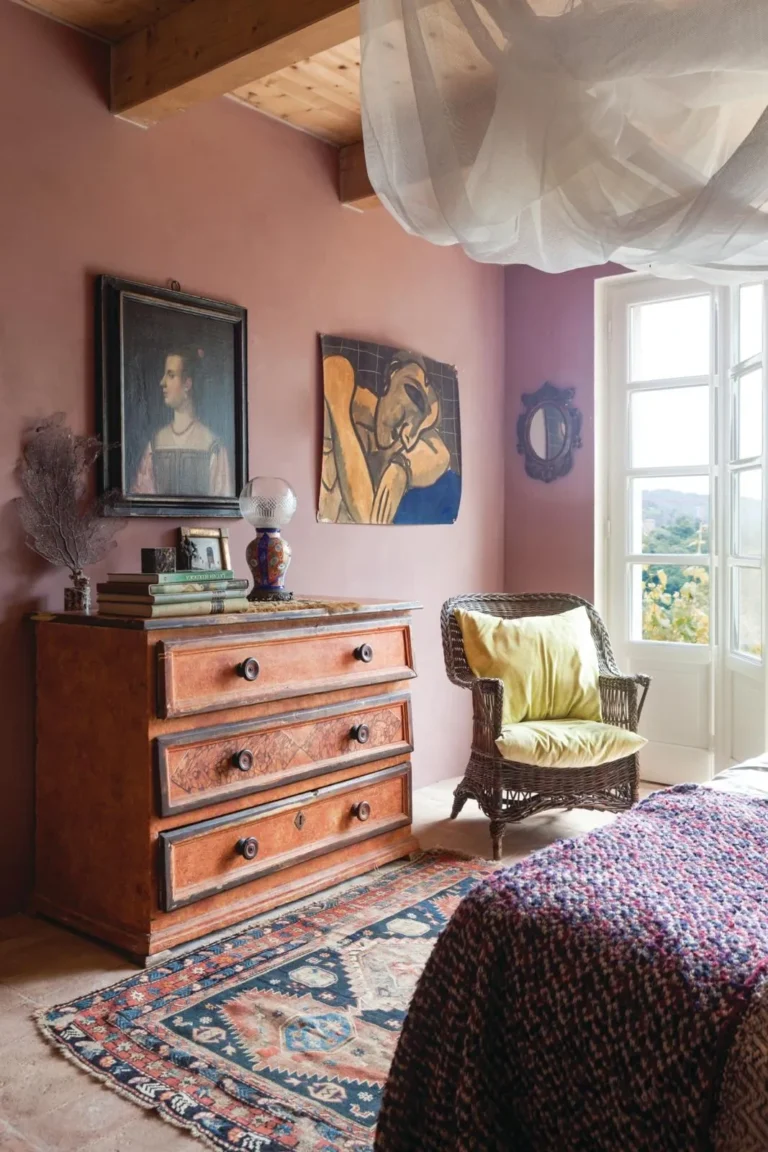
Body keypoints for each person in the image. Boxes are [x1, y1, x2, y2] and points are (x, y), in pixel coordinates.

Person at [321, 349, 460, 524]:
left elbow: (441, 454)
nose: (409, 435)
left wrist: (401, 469)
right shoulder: (340, 383)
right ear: (393, 372)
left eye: (424, 424)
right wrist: (341, 418)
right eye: (415, 396)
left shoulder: (402, 443)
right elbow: (368, 517)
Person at [131, 347, 232, 497]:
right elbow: (141, 497)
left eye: (171, 375)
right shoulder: (156, 443)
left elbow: (222, 499)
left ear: (187, 384)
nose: (162, 382)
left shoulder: (213, 446)